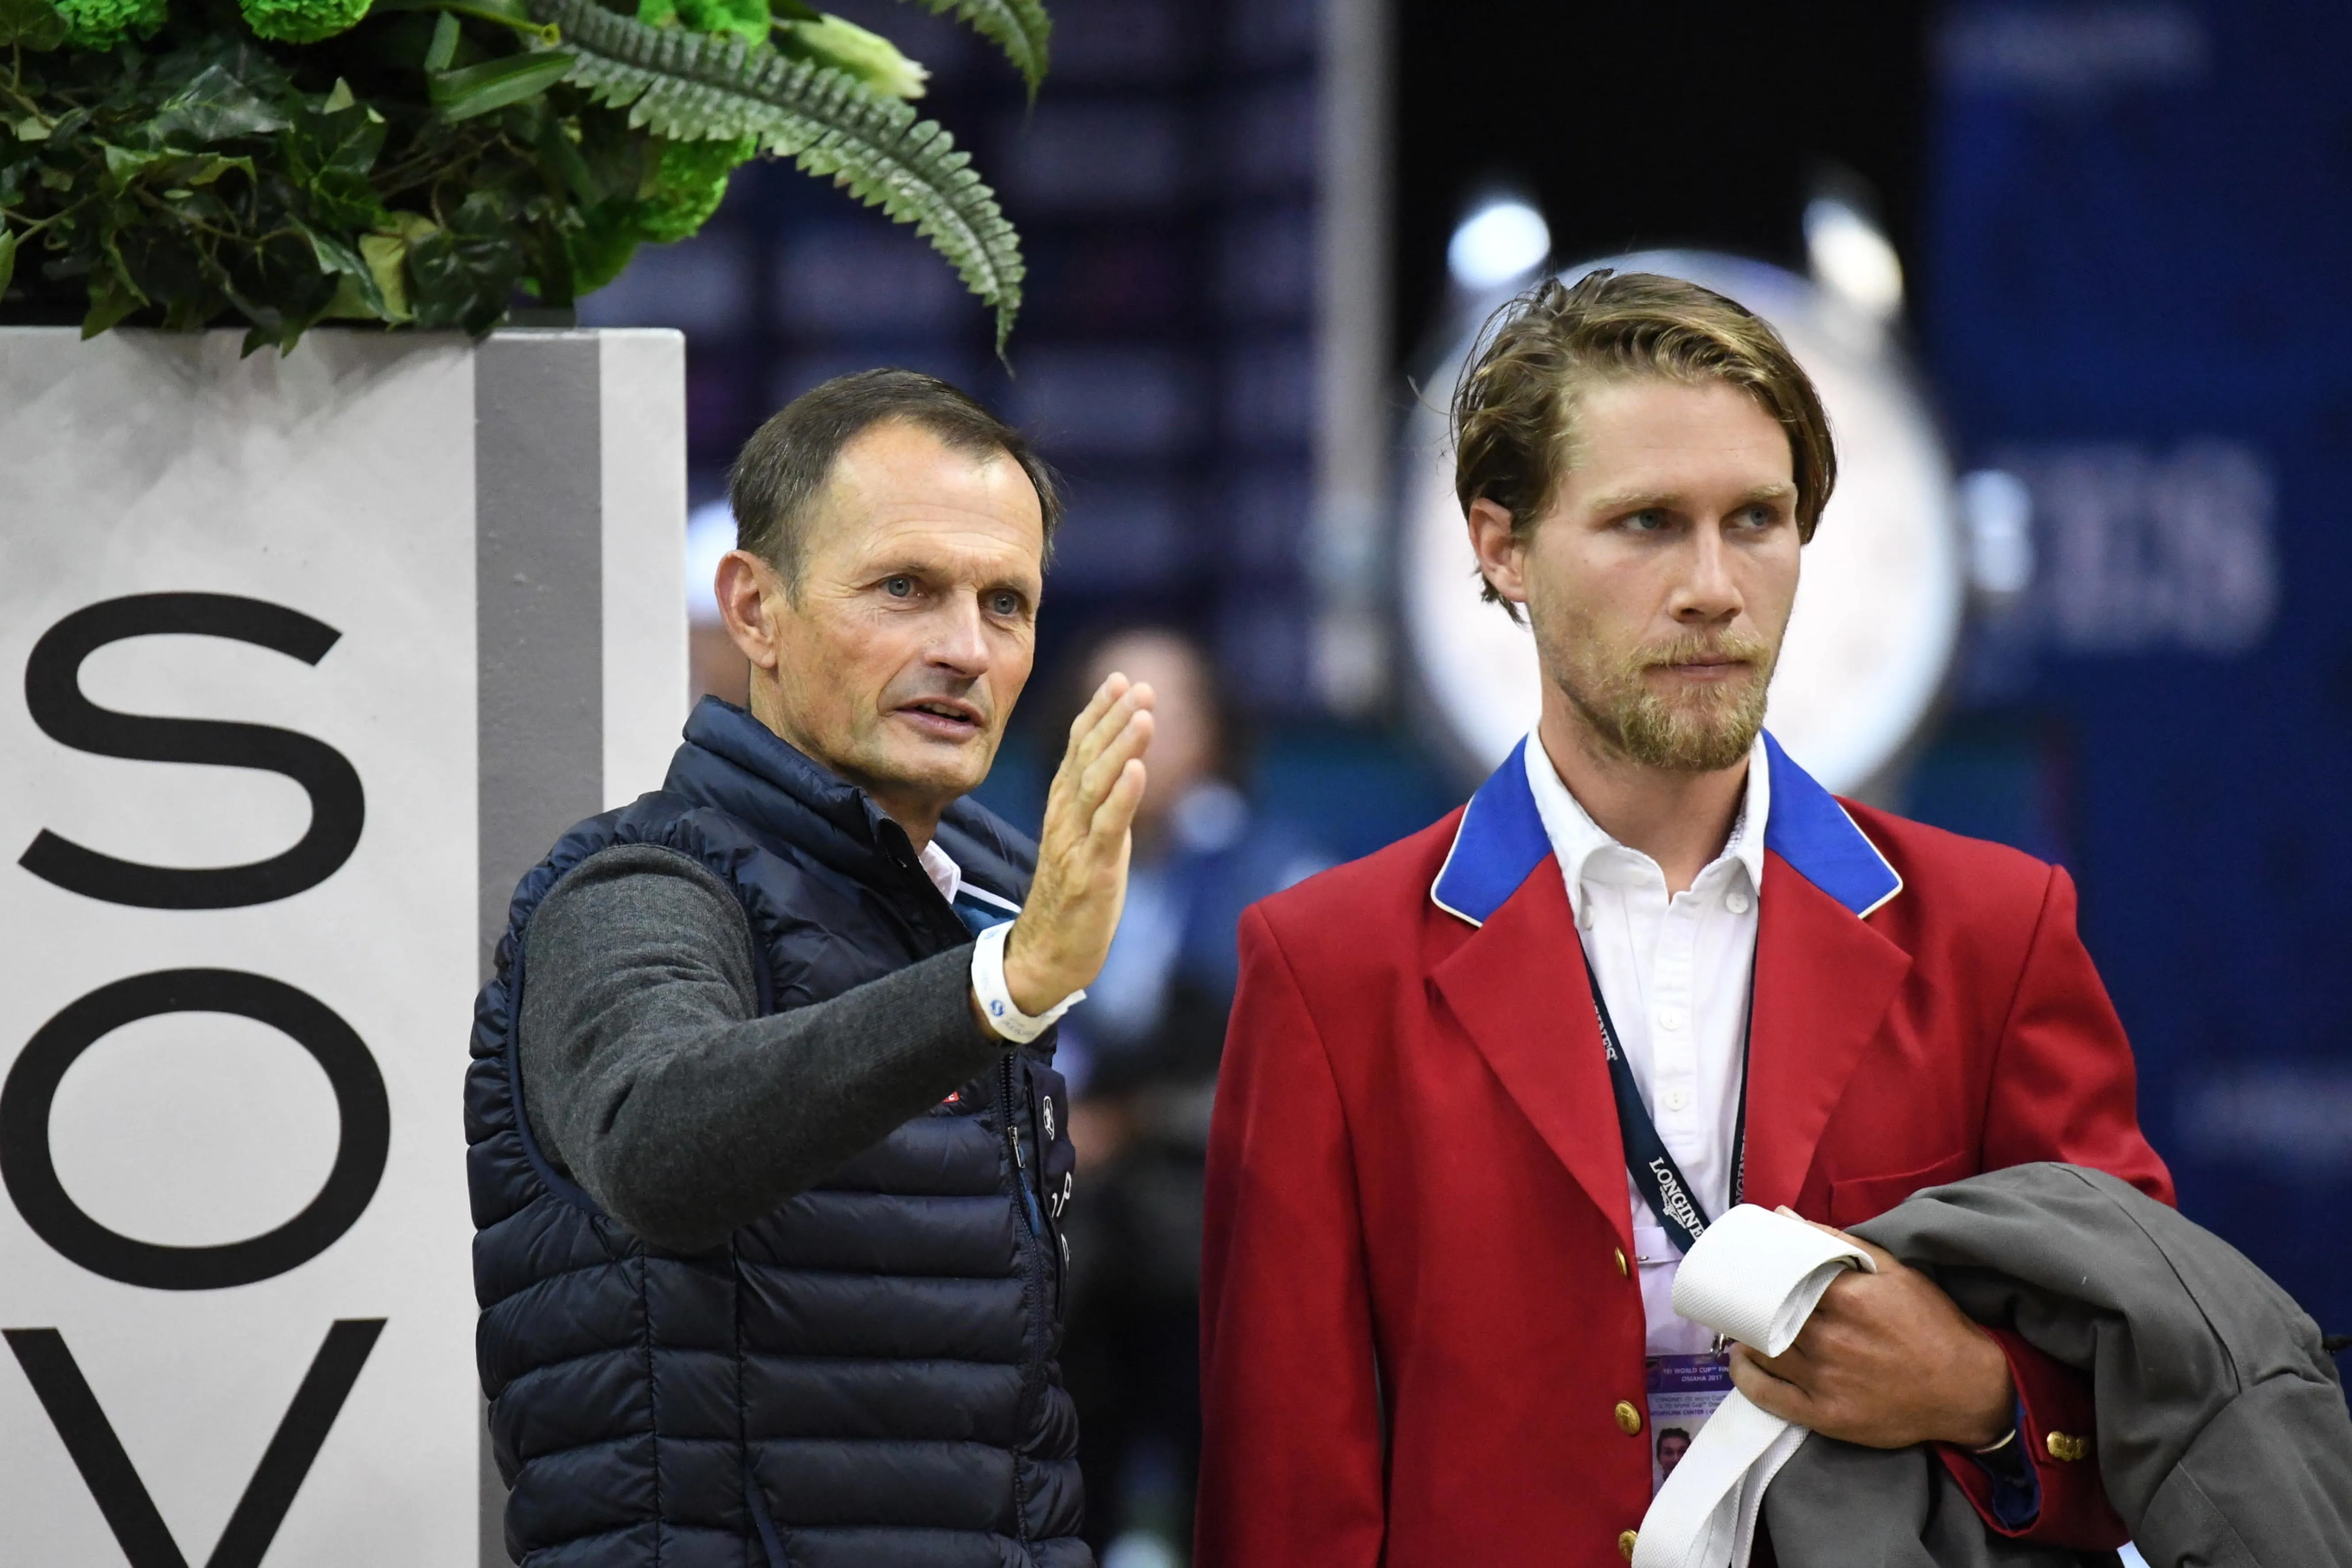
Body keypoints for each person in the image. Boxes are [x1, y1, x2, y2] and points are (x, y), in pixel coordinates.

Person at [1194, 272, 2175, 1567]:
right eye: (1648, 522)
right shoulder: (1326, 967)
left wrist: (1974, 1394)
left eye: (1755, 519)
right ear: (1500, 548)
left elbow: (2156, 1401)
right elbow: (1282, 1500)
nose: (1713, 585)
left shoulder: (1993, 932)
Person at [465, 369, 1151, 1568]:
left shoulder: (990, 908)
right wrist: (1000, 982)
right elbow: (654, 1146)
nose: (963, 648)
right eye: (904, 587)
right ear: (753, 609)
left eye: (1005, 602)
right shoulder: (632, 887)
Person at [1046, 628, 1328, 1564]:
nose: (1141, 738)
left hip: (1216, 1242)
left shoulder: (1278, 878)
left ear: (1214, 730)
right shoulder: (1030, 874)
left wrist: (1128, 1123)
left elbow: (1295, 1084)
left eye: (1165, 714)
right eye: (1111, 712)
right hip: (1079, 1253)